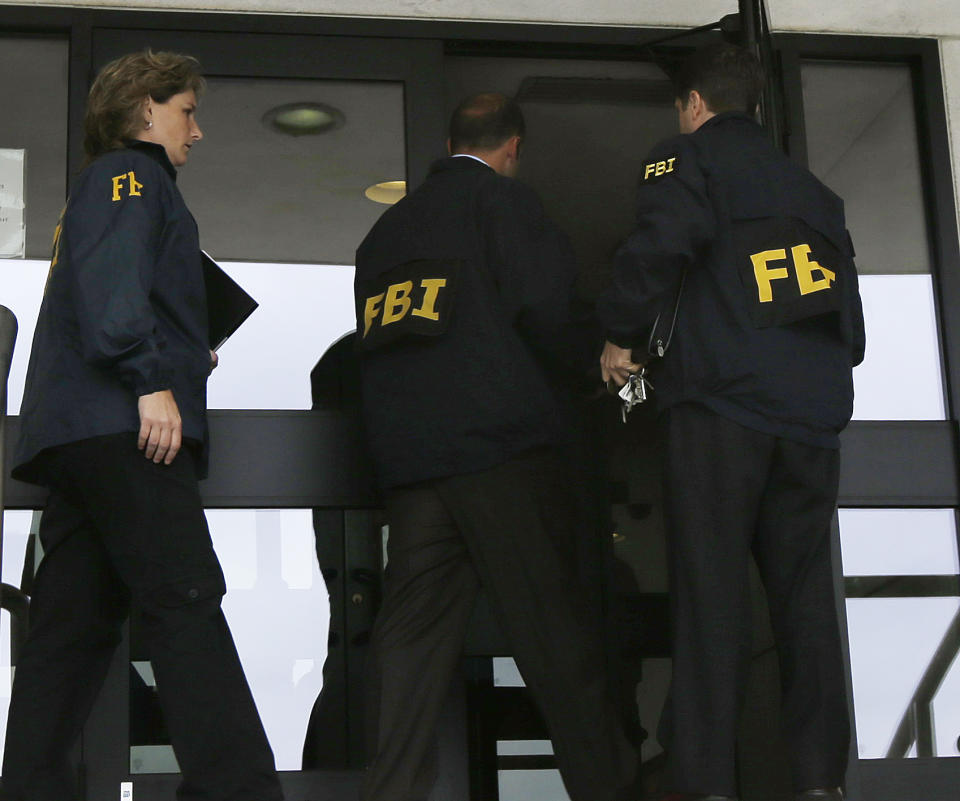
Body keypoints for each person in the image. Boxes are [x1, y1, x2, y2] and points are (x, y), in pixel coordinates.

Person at [3, 50, 284, 801]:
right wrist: (153, 379)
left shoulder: (107, 189)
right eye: (188, 110)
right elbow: (112, 290)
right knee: (184, 599)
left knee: (70, 630)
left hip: (80, 440)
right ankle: (237, 789)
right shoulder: (131, 177)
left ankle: (29, 787)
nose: (198, 130)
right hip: (123, 433)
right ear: (145, 109)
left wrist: (184, 349)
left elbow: (115, 286)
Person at [597, 43, 864, 801]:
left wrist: (620, 330)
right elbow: (855, 328)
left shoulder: (685, 159)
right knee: (806, 607)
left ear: (693, 104)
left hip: (723, 411)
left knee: (710, 598)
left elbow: (662, 243)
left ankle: (707, 783)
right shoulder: (816, 192)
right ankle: (820, 782)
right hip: (811, 420)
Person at [354, 92, 636, 801]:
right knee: (557, 644)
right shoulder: (506, 206)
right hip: (501, 457)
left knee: (409, 653)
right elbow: (546, 310)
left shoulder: (382, 237)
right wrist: (592, 364)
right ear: (512, 148)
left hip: (417, 470)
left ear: (451, 141)